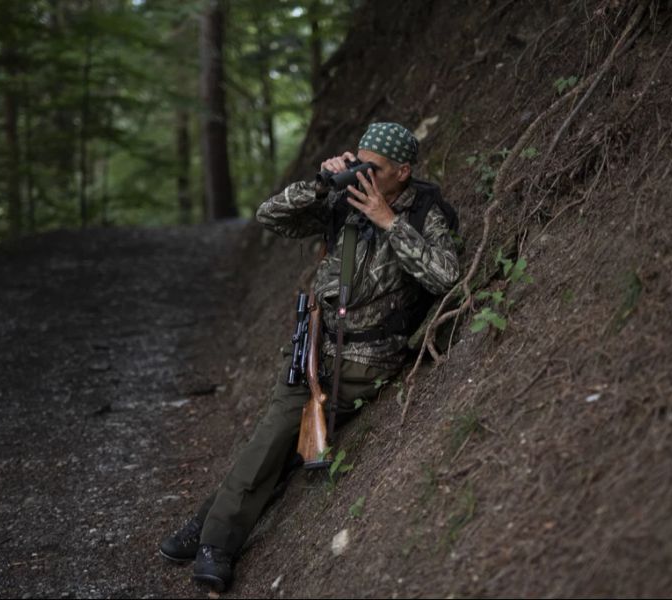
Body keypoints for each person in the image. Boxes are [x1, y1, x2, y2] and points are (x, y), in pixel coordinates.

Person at [158, 122, 460, 592]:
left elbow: (446, 277)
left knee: (275, 438)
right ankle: (210, 536)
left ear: (402, 172)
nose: (363, 174)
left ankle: (210, 536)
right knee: (276, 435)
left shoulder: (425, 212)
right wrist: (321, 184)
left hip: (367, 359)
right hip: (315, 344)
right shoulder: (343, 198)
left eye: (374, 169)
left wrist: (389, 222)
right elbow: (270, 217)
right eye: (358, 161)